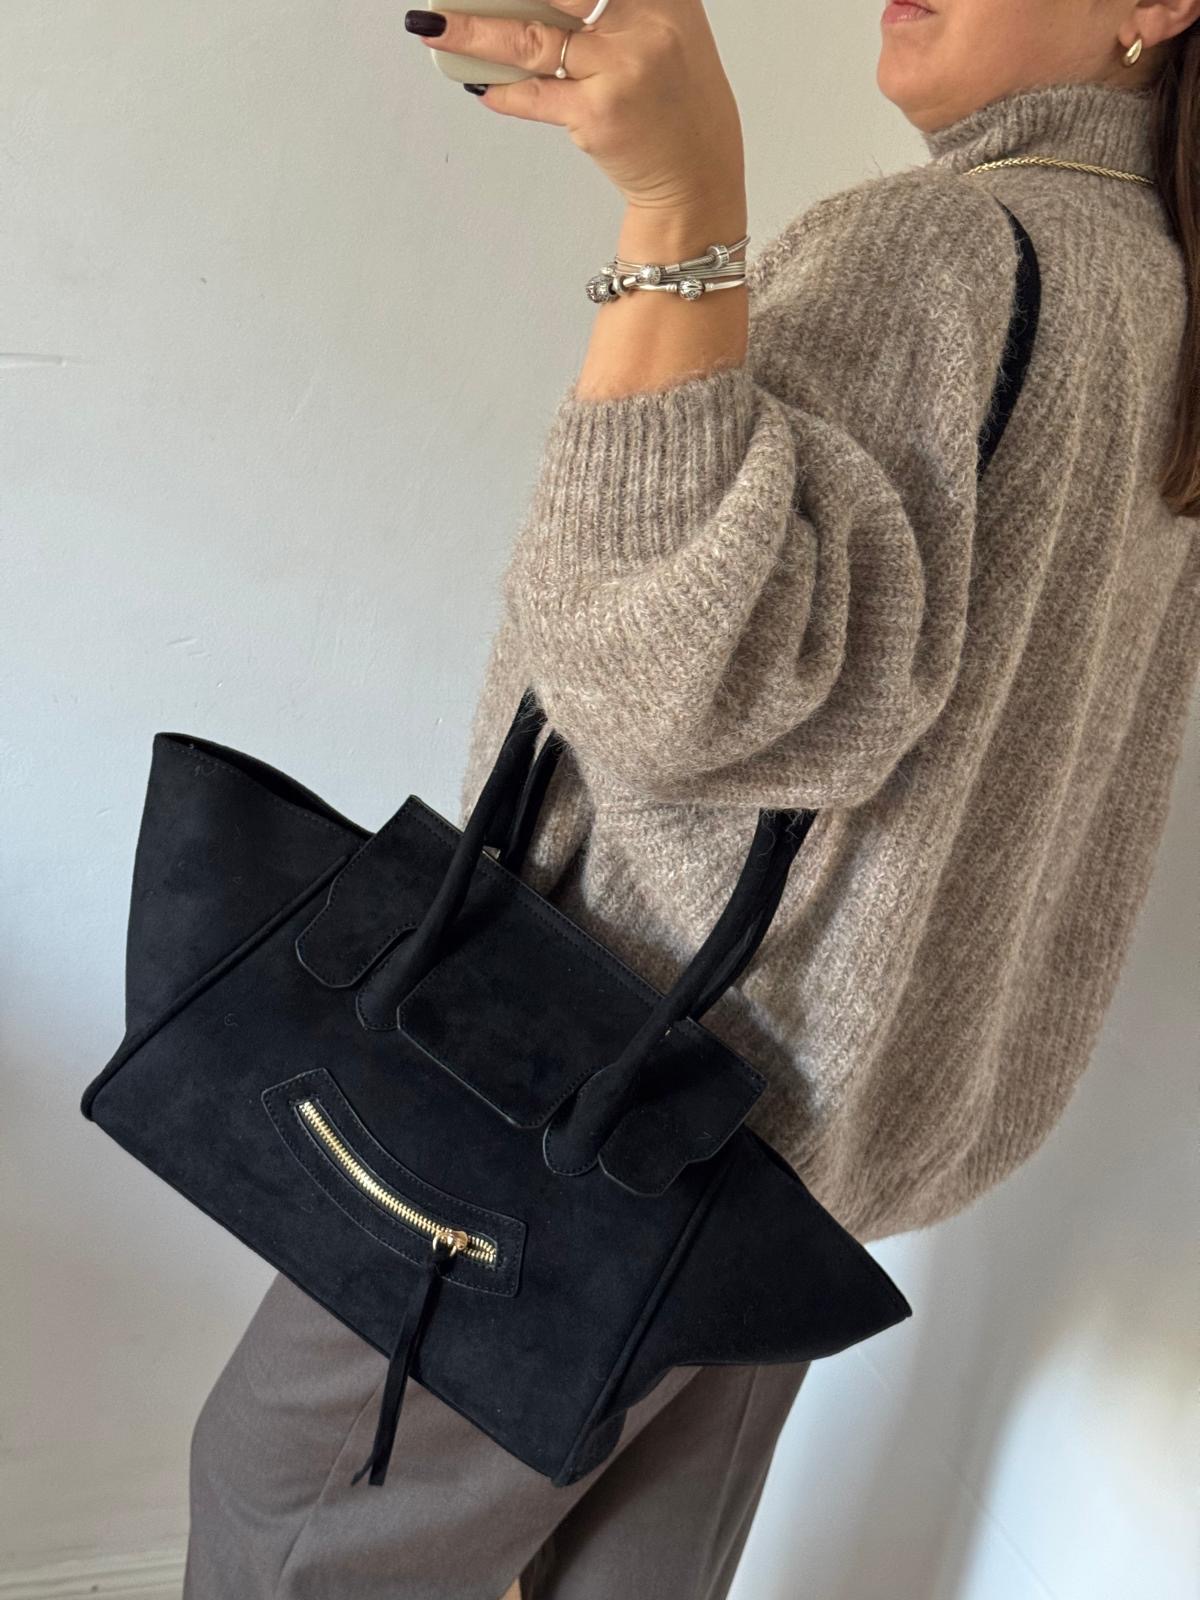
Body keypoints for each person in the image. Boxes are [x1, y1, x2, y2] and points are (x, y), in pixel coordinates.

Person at [182, 1, 1200, 1596]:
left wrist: (682, 213)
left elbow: (674, 691)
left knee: (289, 1522)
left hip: (593, 1106)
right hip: (796, 1175)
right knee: (630, 1571)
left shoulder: (943, 252)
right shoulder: (1162, 291)